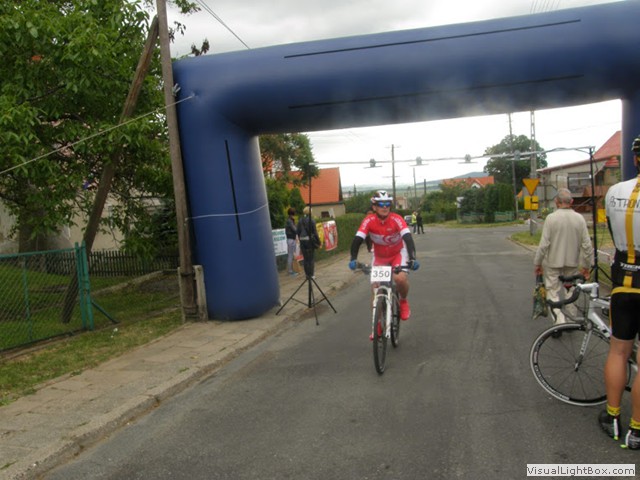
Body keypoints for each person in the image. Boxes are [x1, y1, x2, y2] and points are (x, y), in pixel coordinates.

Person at [598, 134, 640, 448]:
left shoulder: (614, 191)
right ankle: (636, 430)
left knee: (618, 351)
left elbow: (613, 232)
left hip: (623, 280)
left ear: (636, 159)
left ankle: (612, 417)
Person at [348, 191, 420, 323]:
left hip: (397, 254)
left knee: (400, 279)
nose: (385, 206)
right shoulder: (369, 221)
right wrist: (353, 258)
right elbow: (358, 239)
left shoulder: (397, 219)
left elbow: (408, 238)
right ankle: (378, 324)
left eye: (388, 203)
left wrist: (413, 258)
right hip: (380, 257)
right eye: (381, 204)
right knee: (376, 290)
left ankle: (403, 301)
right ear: (374, 207)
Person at [533, 187, 594, 325]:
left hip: (553, 262)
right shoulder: (579, 219)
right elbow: (587, 245)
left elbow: (544, 244)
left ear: (556, 202)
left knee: (552, 291)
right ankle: (572, 318)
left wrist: (538, 263)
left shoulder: (551, 218)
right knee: (570, 288)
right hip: (571, 262)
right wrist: (586, 266)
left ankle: (559, 320)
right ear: (571, 201)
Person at [297, 206, 320, 278]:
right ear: (310, 212)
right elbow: (315, 232)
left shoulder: (300, 220)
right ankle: (311, 274)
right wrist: (318, 242)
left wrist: (300, 239)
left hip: (302, 240)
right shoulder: (312, 220)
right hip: (309, 241)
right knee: (311, 258)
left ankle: (307, 275)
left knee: (305, 259)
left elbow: (298, 231)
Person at [285, 207, 298, 276]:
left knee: (292, 255)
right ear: (293, 213)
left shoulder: (291, 220)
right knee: (290, 255)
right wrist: (299, 231)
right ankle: (290, 271)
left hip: (292, 239)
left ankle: (292, 270)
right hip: (290, 239)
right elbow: (294, 229)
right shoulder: (289, 220)